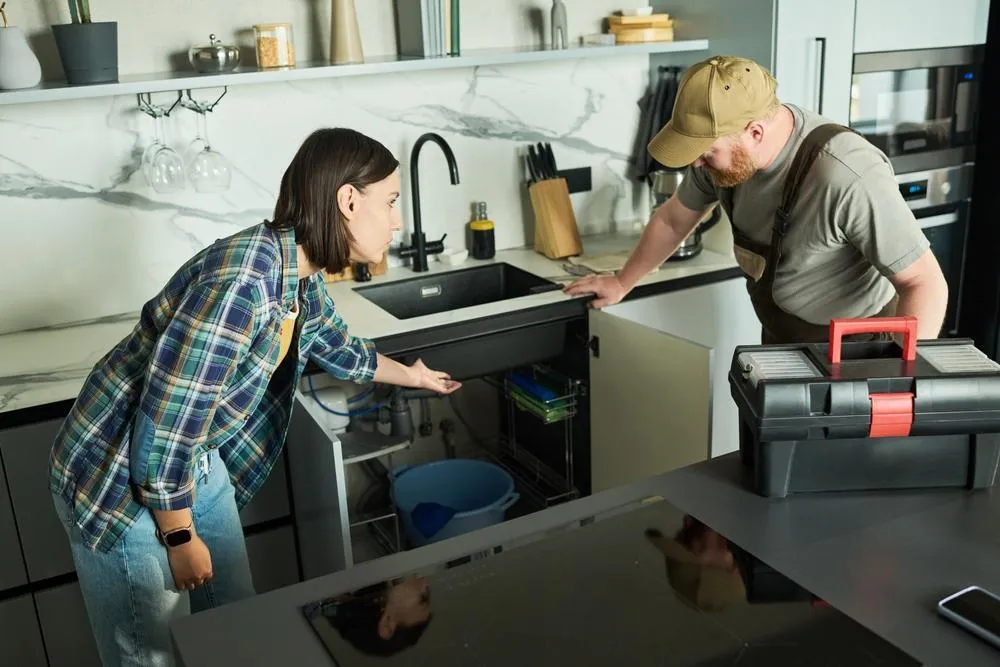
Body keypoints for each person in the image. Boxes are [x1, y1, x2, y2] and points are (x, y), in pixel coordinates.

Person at [47, 127, 461, 667]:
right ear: (348, 200)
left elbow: (335, 343)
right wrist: (178, 537)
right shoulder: (245, 280)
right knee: (151, 657)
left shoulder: (298, 271)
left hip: (193, 461)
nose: (398, 220)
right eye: (391, 202)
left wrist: (411, 375)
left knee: (235, 619)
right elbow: (165, 425)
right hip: (122, 476)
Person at [566, 55, 949, 344]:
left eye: (705, 151)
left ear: (754, 132)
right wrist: (622, 282)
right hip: (780, 341)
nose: (696, 162)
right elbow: (673, 220)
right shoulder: (721, 159)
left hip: (857, 351)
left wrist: (900, 386)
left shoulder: (845, 174)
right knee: (763, 451)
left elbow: (924, 283)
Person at [304, 577, 433, 657]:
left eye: (422, 598)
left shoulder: (314, 601)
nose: (424, 582)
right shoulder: (327, 605)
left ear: (387, 624)